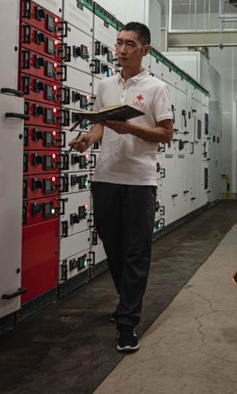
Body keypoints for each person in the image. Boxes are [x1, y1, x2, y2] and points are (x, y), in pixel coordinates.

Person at [68, 22, 173, 352]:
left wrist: (131, 130)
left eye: (130, 44)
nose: (122, 49)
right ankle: (126, 301)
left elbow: (166, 133)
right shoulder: (105, 85)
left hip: (139, 181)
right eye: (119, 43)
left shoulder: (156, 88)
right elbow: (101, 126)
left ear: (145, 50)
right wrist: (88, 138)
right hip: (105, 178)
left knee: (136, 252)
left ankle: (127, 321)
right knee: (113, 247)